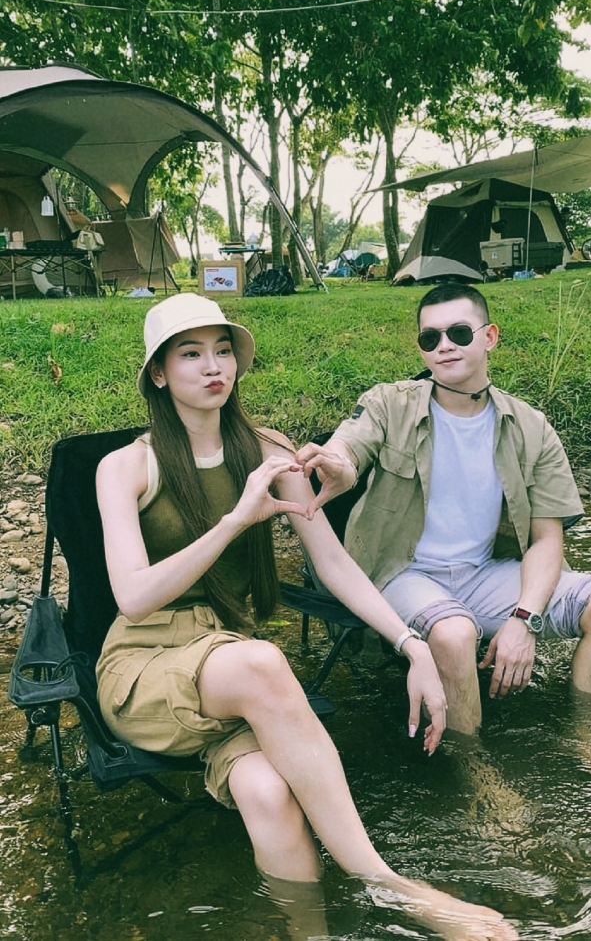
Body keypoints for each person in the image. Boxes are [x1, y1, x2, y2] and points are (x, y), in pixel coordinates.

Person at [95, 293, 516, 941]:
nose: (213, 366)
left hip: (229, 666)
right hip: (146, 667)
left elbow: (335, 563)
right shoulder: (125, 467)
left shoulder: (268, 450)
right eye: (190, 354)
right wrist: (235, 520)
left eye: (222, 350)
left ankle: (310, 933)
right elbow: (132, 597)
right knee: (262, 662)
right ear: (158, 372)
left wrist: (412, 644)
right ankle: (387, 882)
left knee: (268, 792)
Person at [297, 283, 591, 739]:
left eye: (458, 332)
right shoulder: (388, 404)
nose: (444, 346)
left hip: (484, 573)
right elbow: (349, 445)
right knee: (454, 633)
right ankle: (471, 763)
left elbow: (547, 540)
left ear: (489, 337)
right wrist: (339, 465)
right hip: (403, 573)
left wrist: (524, 619)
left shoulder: (531, 427)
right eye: (430, 338)